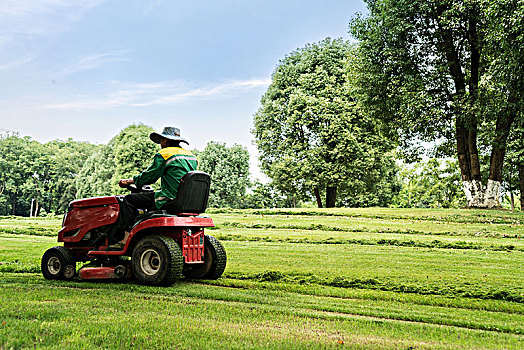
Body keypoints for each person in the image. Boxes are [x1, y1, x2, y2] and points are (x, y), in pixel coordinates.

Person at [109, 126, 198, 248]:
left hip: (169, 197)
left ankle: (124, 238)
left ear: (165, 141)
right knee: (149, 200)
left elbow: (149, 177)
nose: (160, 144)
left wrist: (129, 181)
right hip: (186, 199)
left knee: (129, 200)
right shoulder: (191, 156)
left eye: (161, 141)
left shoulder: (165, 154)